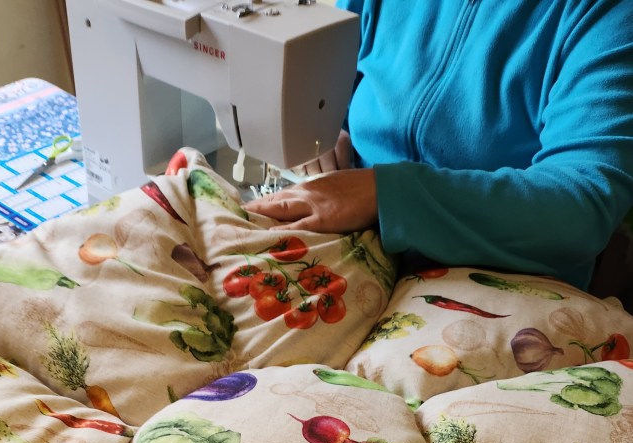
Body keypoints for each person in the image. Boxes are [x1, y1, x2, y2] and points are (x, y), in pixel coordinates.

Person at [244, 0, 633, 292]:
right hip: (358, 239)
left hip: (498, 285)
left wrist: (384, 195)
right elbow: (344, 78)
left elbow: (583, 205)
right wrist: (330, 128)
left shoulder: (608, 14)